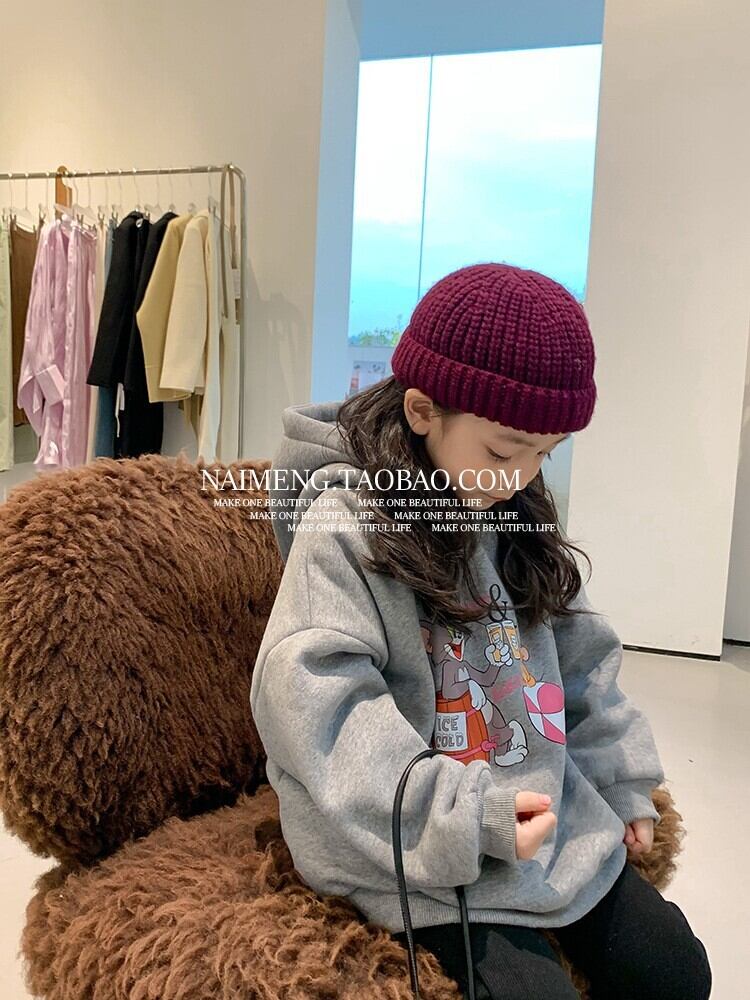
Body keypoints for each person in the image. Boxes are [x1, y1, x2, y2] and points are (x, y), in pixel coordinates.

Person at [249, 263, 712, 999]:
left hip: (533, 816)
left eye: (546, 454)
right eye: (504, 451)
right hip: (406, 841)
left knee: (677, 971)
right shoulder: (343, 531)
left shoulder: (509, 508)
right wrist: (467, 816)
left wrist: (621, 778)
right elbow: (321, 713)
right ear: (422, 410)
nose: (523, 477)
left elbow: (582, 658)